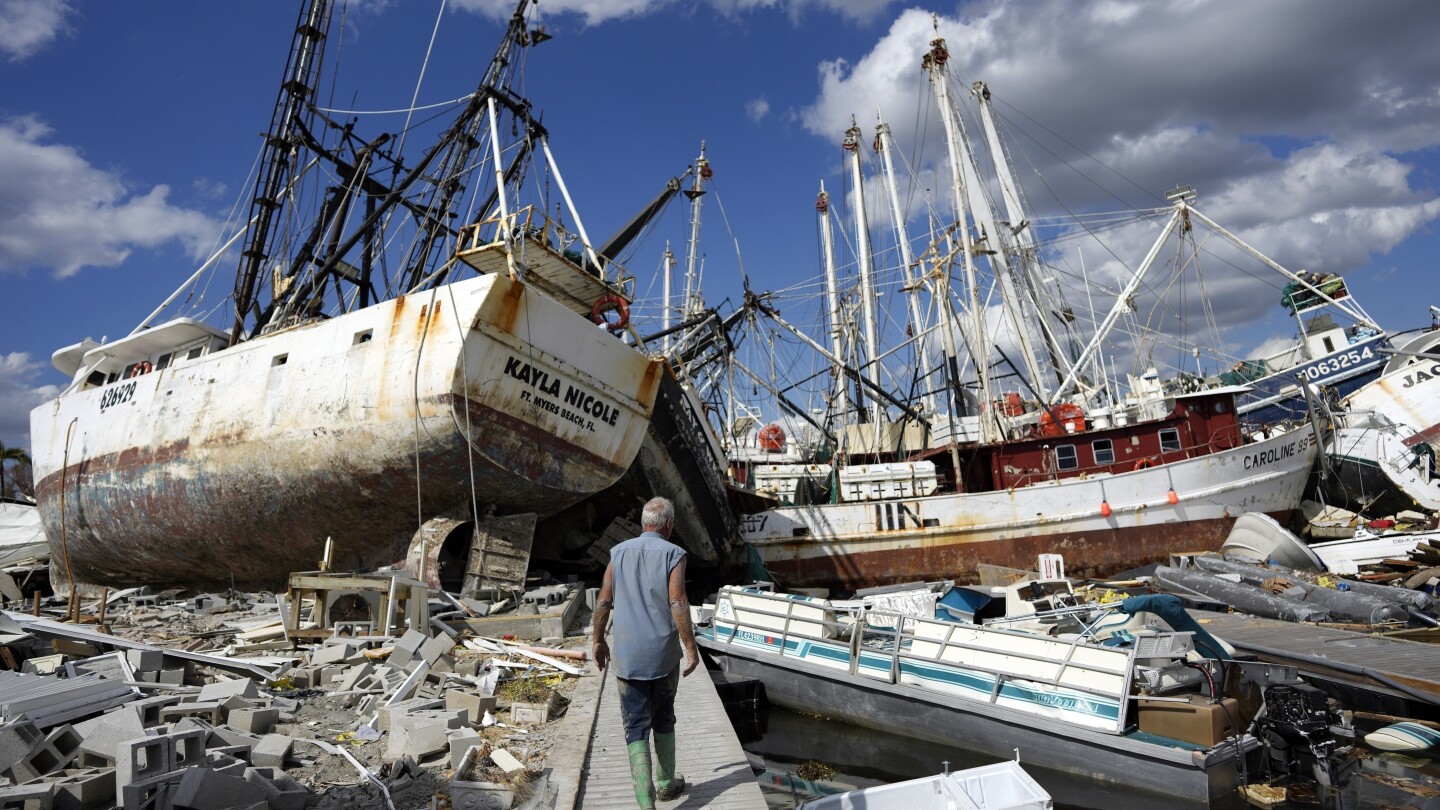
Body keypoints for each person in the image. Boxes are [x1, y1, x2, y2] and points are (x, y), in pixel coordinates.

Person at [591, 497, 700, 808]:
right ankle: (666, 783)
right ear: (668, 525)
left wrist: (598, 640)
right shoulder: (674, 554)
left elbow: (603, 601)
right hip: (663, 656)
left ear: (643, 523)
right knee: (664, 716)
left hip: (626, 656)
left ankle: (646, 802)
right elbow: (677, 601)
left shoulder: (618, 552)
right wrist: (690, 647)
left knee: (634, 724)